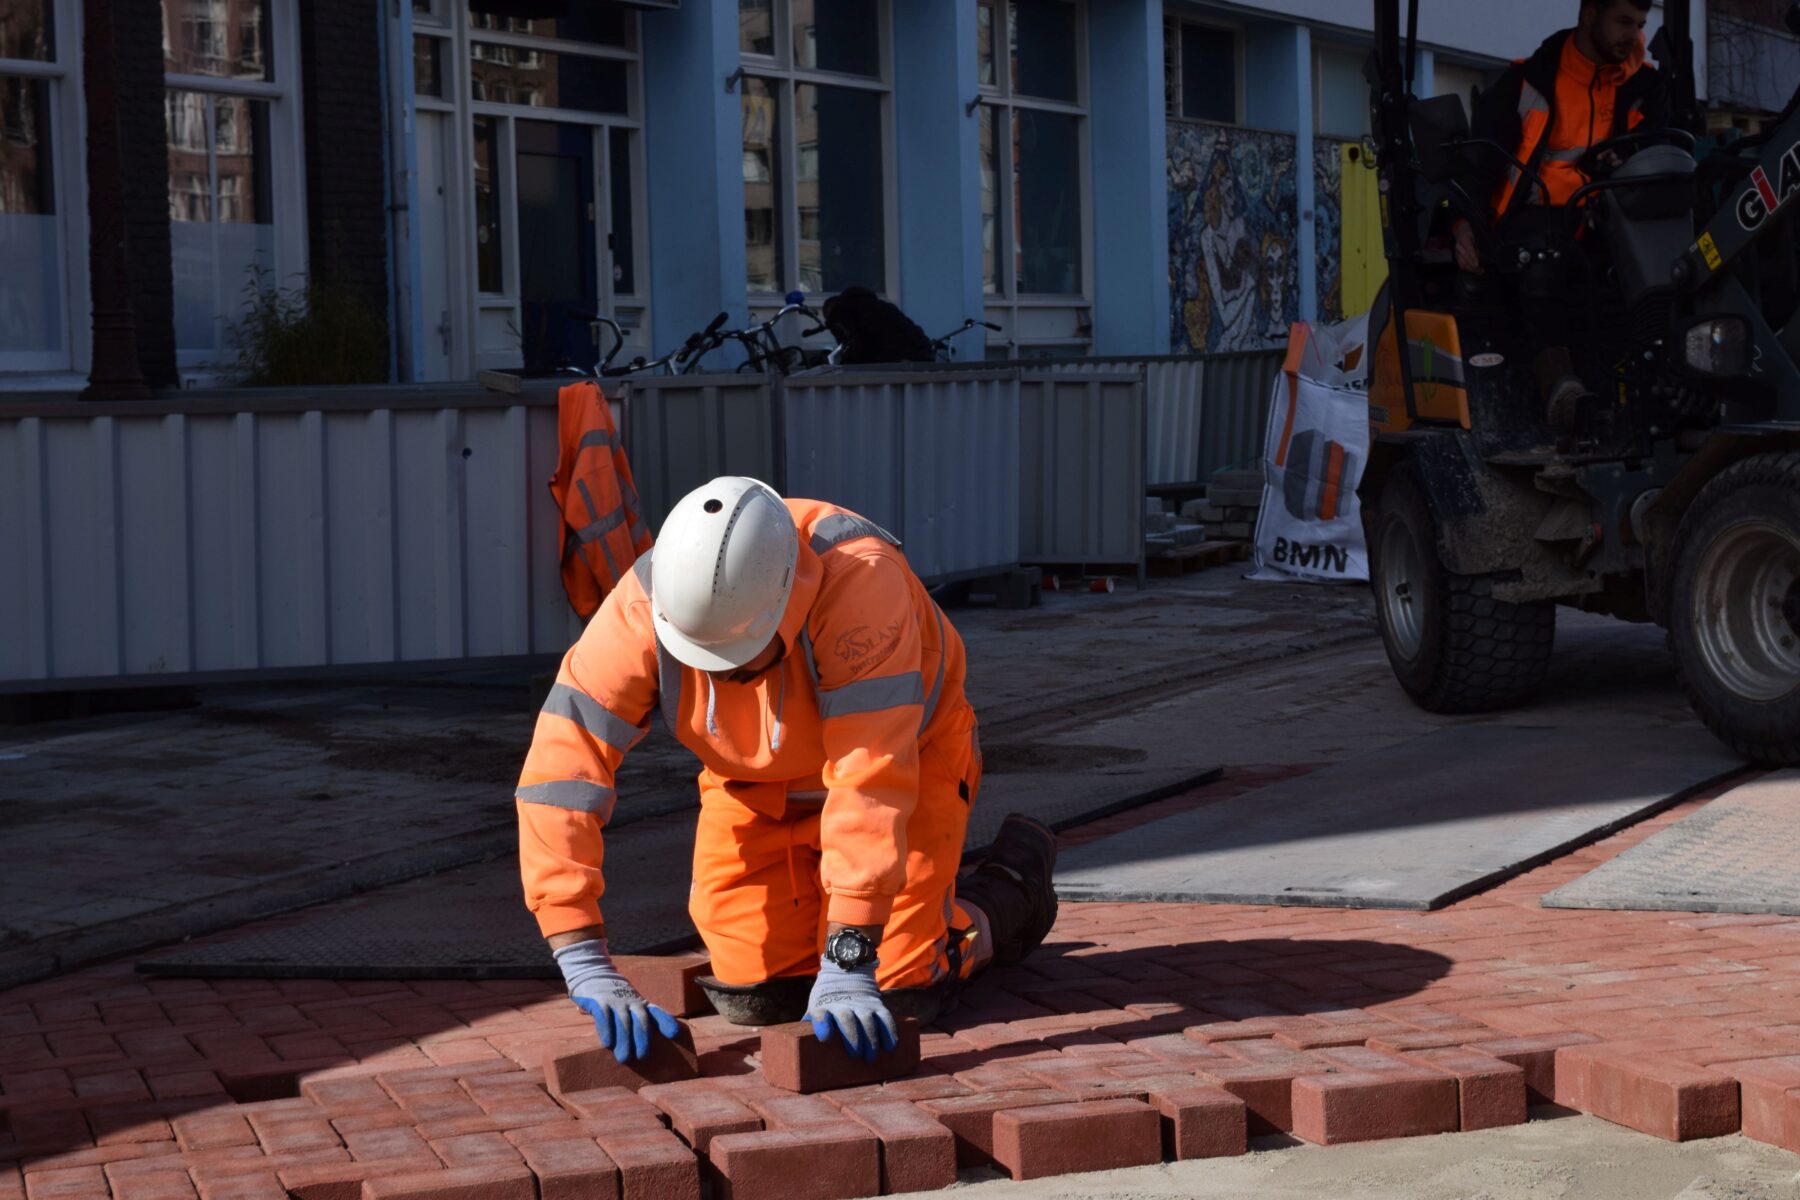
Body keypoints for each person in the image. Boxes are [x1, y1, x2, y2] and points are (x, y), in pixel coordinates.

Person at [516, 477, 1059, 1063]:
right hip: (751, 786)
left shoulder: (862, 587)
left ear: (785, 604)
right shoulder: (643, 606)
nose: (723, 677)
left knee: (899, 982)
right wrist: (582, 955)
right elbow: (561, 774)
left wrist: (849, 957)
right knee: (754, 991)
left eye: (740, 659)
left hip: (909, 763)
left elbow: (870, 780)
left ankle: (1006, 896)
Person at [1451, 0, 1669, 432]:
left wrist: (1627, 155)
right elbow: (1476, 166)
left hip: (1609, 220)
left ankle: (1655, 391)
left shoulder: (1646, 86)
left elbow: (1664, 149)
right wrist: (1461, 225)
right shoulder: (1527, 82)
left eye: (1641, 24)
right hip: (1531, 220)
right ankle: (1562, 392)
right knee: (1546, 258)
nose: (1634, 35)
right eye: (1623, 21)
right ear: (1590, 14)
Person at [820, 287, 935, 365]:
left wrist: (845, 366)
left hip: (901, 361)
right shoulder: (880, 306)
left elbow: (857, 345)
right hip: (922, 353)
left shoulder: (841, 312)